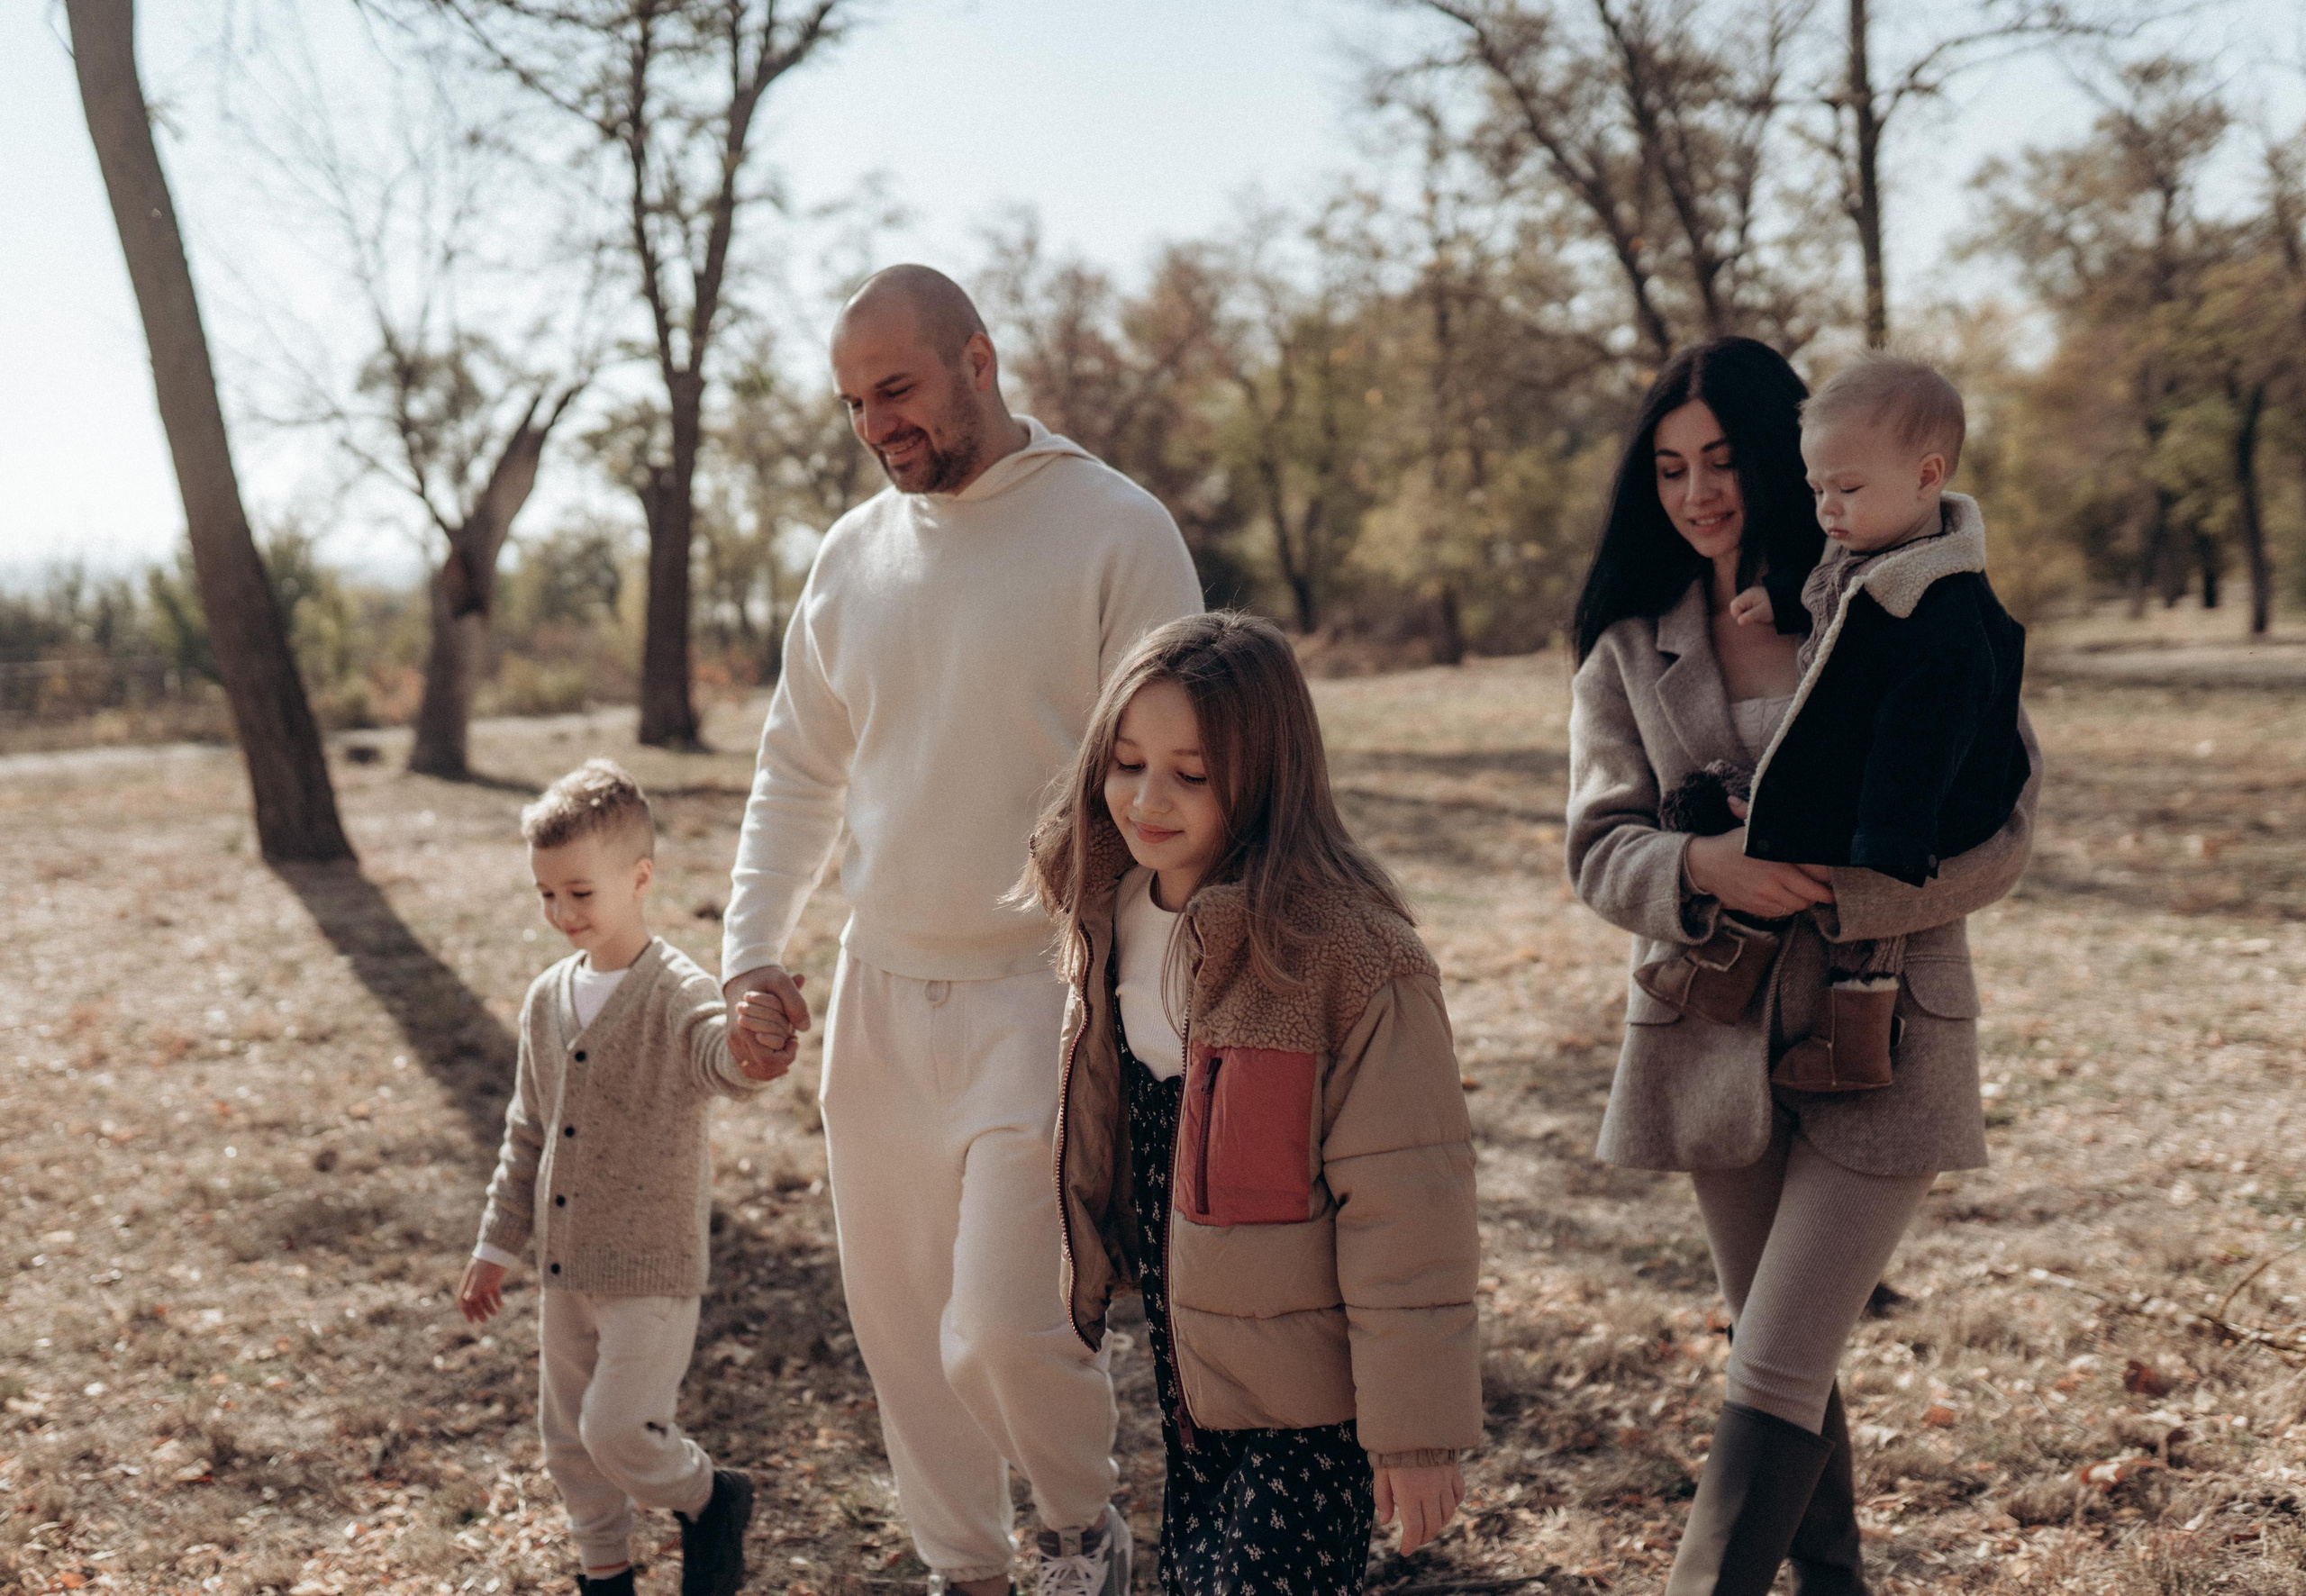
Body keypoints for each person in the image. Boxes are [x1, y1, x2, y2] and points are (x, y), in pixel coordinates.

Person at [719, 264, 1203, 1596]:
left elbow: (1190, 780)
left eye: (899, 389)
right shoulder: (850, 554)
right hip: (880, 999)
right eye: (854, 403)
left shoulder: (1116, 528)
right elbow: (798, 772)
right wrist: (751, 952)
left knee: (998, 1330)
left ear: (978, 361)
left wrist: (1155, 997)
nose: (878, 424)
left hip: (1043, 994)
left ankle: (1076, 1526)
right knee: (901, 1344)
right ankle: (966, 1573)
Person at [1564, 337, 2041, 1596]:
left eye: (1723, 458)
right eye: (1669, 467)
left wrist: (1841, 887)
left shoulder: (1904, 592)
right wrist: (1704, 870)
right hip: (1709, 1039)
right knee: (1784, 1360)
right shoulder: (1629, 646)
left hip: (1887, 1028)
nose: (1698, 491)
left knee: (1771, 1360)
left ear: (1782, 452)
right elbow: (1597, 849)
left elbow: (2004, 833)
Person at [1025, 612, 1483, 1596]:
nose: (1147, 799)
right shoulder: (1110, 912)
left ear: (1266, 773)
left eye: (1191, 774)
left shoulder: (1348, 955)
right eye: (1128, 760)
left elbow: (1411, 1204)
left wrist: (1416, 1430)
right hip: (1192, 1374)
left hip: (1313, 1404)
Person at [459, 759, 773, 1596]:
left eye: (581, 894)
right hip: (565, 1268)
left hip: (651, 1268)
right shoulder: (545, 999)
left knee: (618, 1430)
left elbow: (722, 1060)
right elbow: (527, 1130)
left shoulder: (676, 990)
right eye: (546, 894)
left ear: (639, 881)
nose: (562, 914)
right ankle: (606, 1574)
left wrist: (750, 1047)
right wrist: (497, 1242)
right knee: (568, 1441)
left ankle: (711, 1495)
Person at [1714, 354, 2029, 1092]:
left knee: (1862, 908)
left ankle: (1852, 1042)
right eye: (1817, 488)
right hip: (1874, 773)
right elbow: (1833, 582)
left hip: (1931, 800)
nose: (1828, 509)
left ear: (1927, 476)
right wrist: (1782, 600)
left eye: (1846, 488)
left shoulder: (1944, 607)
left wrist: (1886, 840)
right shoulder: (1875, 541)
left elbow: (1926, 736)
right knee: (1775, 826)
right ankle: (1726, 970)